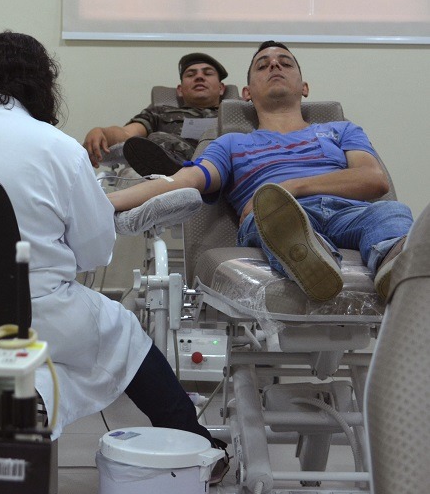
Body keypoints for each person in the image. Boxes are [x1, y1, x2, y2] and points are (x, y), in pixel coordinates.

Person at [0, 32, 222, 451]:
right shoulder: (57, 147)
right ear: (42, 84)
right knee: (122, 330)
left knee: (39, 354)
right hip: (33, 312)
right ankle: (195, 444)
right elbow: (94, 252)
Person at [109, 41, 412, 301]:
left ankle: (395, 267)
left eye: (285, 63)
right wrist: (105, 202)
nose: (274, 67)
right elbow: (181, 181)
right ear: (246, 92)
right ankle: (311, 256)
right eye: (263, 65)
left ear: (304, 87)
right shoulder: (229, 144)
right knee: (272, 216)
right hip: (276, 217)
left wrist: (292, 186)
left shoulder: (340, 130)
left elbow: (374, 179)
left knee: (391, 213)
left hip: (348, 214)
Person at [83, 52, 228, 175]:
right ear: (180, 90)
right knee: (154, 140)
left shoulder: (236, 113)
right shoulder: (160, 113)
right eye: (191, 75)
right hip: (168, 174)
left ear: (221, 88)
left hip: (222, 167)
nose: (199, 77)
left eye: (208, 73)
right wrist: (102, 133)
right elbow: (127, 134)